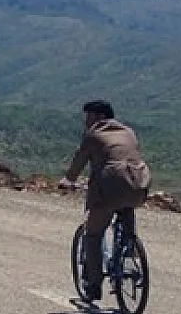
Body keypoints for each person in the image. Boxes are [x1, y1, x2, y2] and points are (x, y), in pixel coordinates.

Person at [62, 100, 151, 301]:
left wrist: (68, 180)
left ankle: (93, 285)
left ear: (100, 117)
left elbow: (80, 160)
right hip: (139, 184)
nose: (86, 121)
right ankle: (128, 250)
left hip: (110, 188)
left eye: (89, 116)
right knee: (126, 211)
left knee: (93, 234)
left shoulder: (93, 134)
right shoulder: (129, 132)